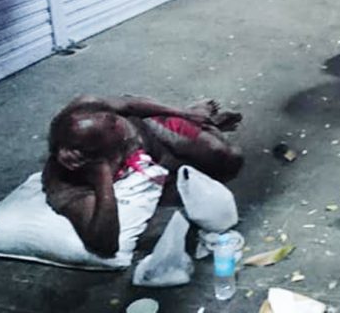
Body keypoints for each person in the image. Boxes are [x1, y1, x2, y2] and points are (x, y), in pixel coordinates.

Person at [42, 94, 244, 256]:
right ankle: (202, 127)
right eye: (117, 134)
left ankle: (199, 118)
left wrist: (184, 114)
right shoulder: (66, 180)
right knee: (183, 201)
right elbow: (105, 245)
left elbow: (129, 105)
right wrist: (102, 175)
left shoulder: (87, 106)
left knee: (228, 158)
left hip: (149, 127)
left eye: (116, 121)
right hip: (145, 159)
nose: (120, 126)